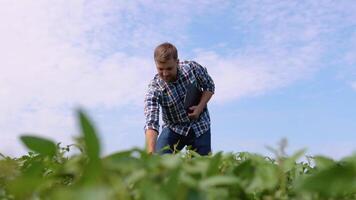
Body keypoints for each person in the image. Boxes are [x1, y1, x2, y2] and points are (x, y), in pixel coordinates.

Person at [144, 42, 215, 155]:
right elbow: (151, 122)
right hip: (174, 128)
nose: (165, 73)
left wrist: (199, 108)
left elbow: (209, 86)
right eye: (160, 69)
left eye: (169, 68)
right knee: (159, 159)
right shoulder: (154, 88)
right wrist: (150, 152)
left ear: (177, 63)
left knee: (202, 167)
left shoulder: (192, 68)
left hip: (200, 125)